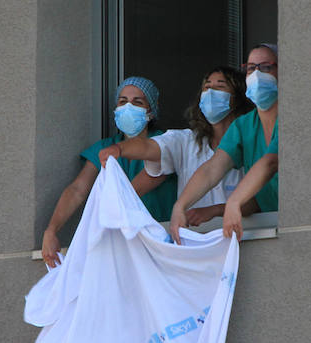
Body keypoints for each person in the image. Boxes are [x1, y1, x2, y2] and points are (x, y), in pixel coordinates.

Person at [40, 76, 176, 268]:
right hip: (117, 248)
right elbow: (78, 189)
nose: (128, 107)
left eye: (137, 102)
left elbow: (157, 171)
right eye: (122, 102)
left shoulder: (166, 142)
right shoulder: (105, 148)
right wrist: (51, 230)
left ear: (151, 111)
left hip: (162, 243)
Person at [100, 65, 258, 227]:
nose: (210, 93)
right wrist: (120, 149)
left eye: (220, 87)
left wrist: (215, 210)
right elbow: (149, 147)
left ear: (237, 98)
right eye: (207, 87)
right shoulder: (186, 141)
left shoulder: (252, 143)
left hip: (243, 238)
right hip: (193, 241)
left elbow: (258, 202)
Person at [169, 42, 279, 241]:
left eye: (266, 67)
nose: (257, 75)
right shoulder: (243, 126)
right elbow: (212, 169)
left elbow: (271, 162)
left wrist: (233, 202)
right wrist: (180, 206)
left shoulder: (293, 118)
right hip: (275, 226)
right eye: (251, 68)